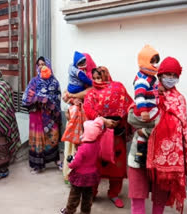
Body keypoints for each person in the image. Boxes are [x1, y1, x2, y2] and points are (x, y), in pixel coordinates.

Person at [128, 56, 187, 214]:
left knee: (160, 198)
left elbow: (178, 129)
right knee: (137, 195)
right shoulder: (147, 92)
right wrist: (156, 125)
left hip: (163, 159)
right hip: (140, 153)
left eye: (174, 75)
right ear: (159, 74)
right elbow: (131, 117)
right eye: (167, 74)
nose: (170, 79)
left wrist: (148, 129)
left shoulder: (178, 100)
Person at [83, 66, 133, 208]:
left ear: (107, 76)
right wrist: (104, 121)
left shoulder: (118, 89)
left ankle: (114, 193)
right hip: (99, 135)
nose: (98, 81)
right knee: (95, 166)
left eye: (100, 78)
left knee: (116, 166)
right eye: (95, 78)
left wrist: (121, 119)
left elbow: (129, 104)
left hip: (117, 135)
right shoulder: (91, 94)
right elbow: (88, 110)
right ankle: (91, 193)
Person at [22, 57, 62, 174]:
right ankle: (38, 165)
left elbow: (58, 98)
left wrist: (48, 101)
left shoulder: (55, 82)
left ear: (48, 65)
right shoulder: (33, 81)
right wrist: (38, 98)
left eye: (43, 64)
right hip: (37, 114)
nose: (41, 66)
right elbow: (26, 98)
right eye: (39, 64)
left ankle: (56, 160)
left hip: (50, 116)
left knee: (53, 137)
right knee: (37, 140)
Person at [62, 53, 96, 183]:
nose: (84, 67)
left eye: (85, 63)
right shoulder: (77, 75)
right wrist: (68, 95)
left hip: (87, 120)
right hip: (74, 118)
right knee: (70, 146)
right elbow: (65, 95)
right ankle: (69, 174)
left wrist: (72, 94)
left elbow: (91, 91)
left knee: (82, 148)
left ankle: (81, 175)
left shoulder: (93, 77)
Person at [60, 117, 104, 214]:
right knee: (87, 196)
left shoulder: (82, 148)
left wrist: (70, 164)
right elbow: (98, 155)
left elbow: (76, 162)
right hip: (91, 175)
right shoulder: (97, 144)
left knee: (74, 195)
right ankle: (85, 211)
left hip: (80, 176)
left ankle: (69, 211)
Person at [129, 44, 160, 166]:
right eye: (152, 61)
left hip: (150, 109)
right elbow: (139, 96)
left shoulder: (151, 77)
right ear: (144, 61)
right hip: (146, 111)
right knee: (159, 123)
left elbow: (155, 89)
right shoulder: (142, 79)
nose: (155, 64)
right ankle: (141, 154)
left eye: (157, 61)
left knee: (142, 135)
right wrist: (143, 111)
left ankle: (140, 155)